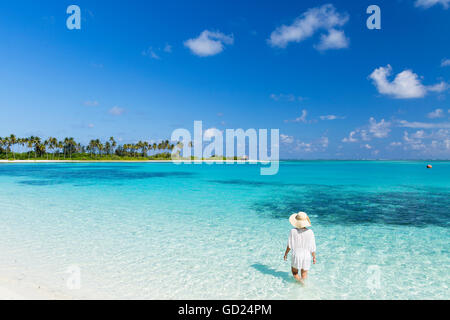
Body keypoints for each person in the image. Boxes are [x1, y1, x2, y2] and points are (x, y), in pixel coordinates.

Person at [283, 212, 316, 284]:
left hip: (296, 255)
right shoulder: (310, 232)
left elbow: (289, 245)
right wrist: (314, 257)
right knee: (304, 274)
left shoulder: (293, 231)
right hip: (307, 255)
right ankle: (303, 288)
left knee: (294, 273)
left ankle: (301, 283)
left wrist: (285, 254)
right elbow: (312, 247)